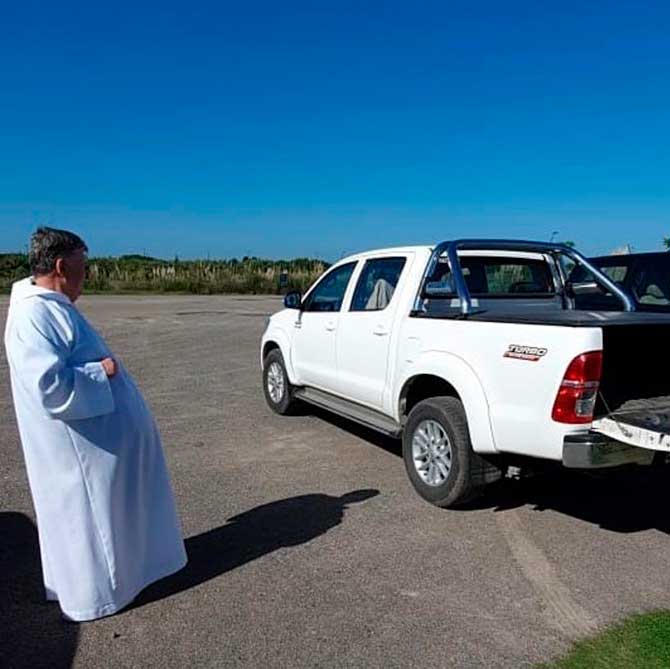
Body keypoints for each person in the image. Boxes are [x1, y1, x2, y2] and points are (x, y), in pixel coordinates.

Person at [3, 227, 187, 622]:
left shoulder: (50, 305)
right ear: (60, 266)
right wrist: (100, 373)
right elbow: (49, 387)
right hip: (81, 456)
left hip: (98, 445)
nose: (86, 275)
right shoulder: (33, 314)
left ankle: (126, 579)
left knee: (113, 523)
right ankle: (99, 595)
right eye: (82, 266)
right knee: (91, 528)